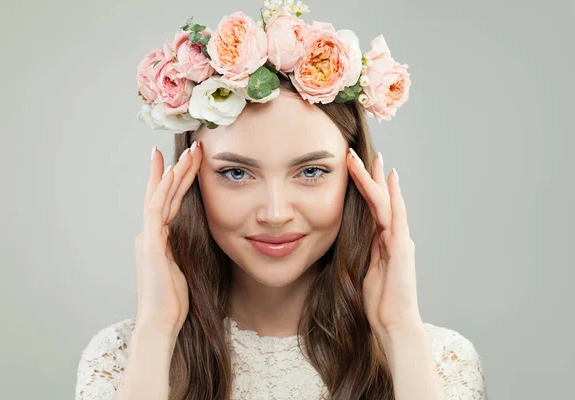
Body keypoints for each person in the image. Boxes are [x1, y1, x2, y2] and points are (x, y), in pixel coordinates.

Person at [75, 1, 487, 399]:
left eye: (311, 172)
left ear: (356, 180)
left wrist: (399, 331)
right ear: (189, 183)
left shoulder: (440, 361)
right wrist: (157, 329)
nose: (275, 214)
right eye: (236, 173)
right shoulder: (120, 358)